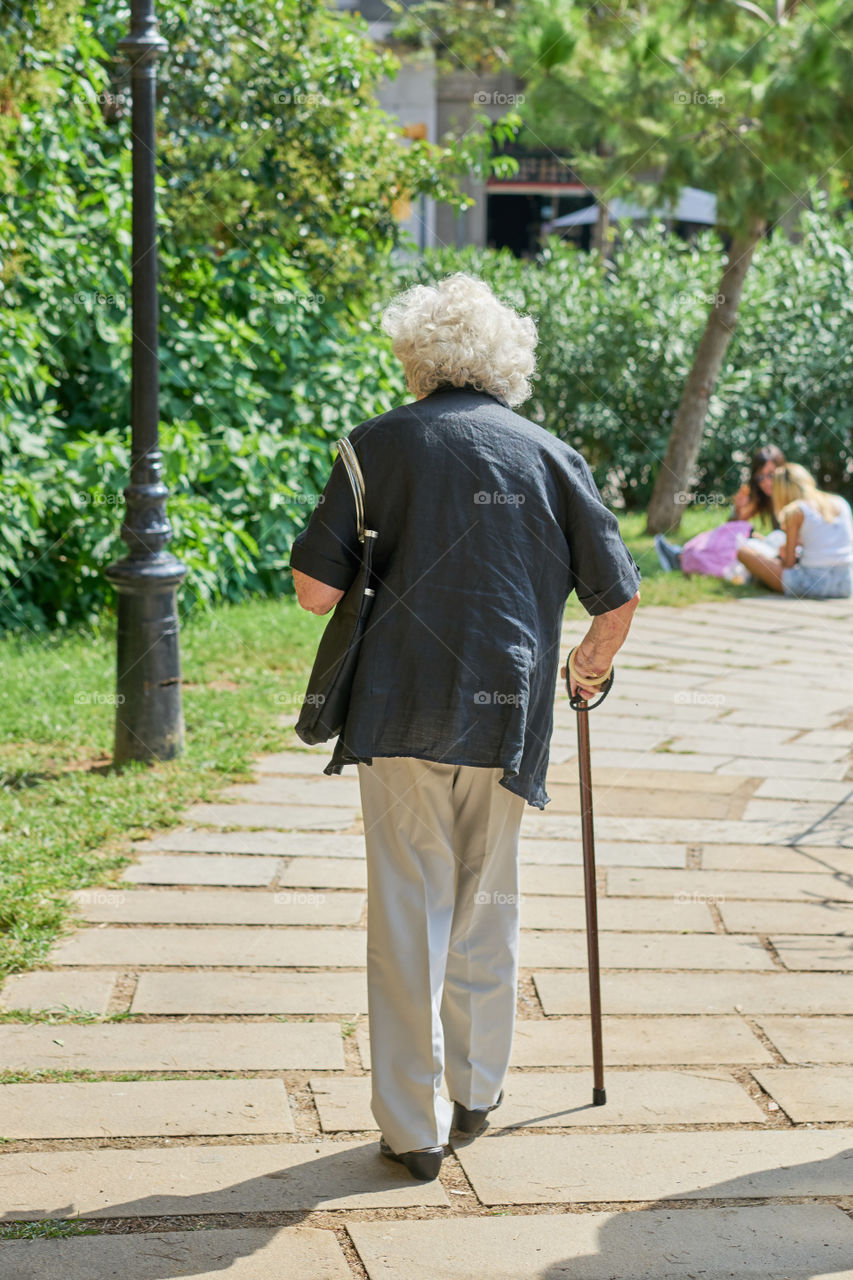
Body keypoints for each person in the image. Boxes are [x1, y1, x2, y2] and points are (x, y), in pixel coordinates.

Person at [289, 272, 641, 1181]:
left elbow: (316, 590)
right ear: (506, 361)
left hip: (397, 705)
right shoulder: (551, 454)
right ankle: (477, 1090)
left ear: (415, 357)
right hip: (508, 708)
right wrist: (586, 667)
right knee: (489, 901)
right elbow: (618, 593)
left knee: (409, 912)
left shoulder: (373, 445)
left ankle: (412, 1129)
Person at [654, 444, 786, 577]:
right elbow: (732, 527)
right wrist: (739, 510)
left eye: (771, 475)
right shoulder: (761, 496)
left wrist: (756, 537)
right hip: (775, 551)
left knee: (740, 538)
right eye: (761, 477)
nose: (766, 482)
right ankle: (682, 555)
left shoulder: (790, 494)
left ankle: (679, 557)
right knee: (732, 534)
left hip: (786, 556)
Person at [736, 462, 853, 598]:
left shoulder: (796, 510)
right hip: (846, 582)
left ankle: (757, 578)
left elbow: (789, 565)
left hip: (813, 584)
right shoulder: (840, 502)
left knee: (743, 551)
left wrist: (782, 556)